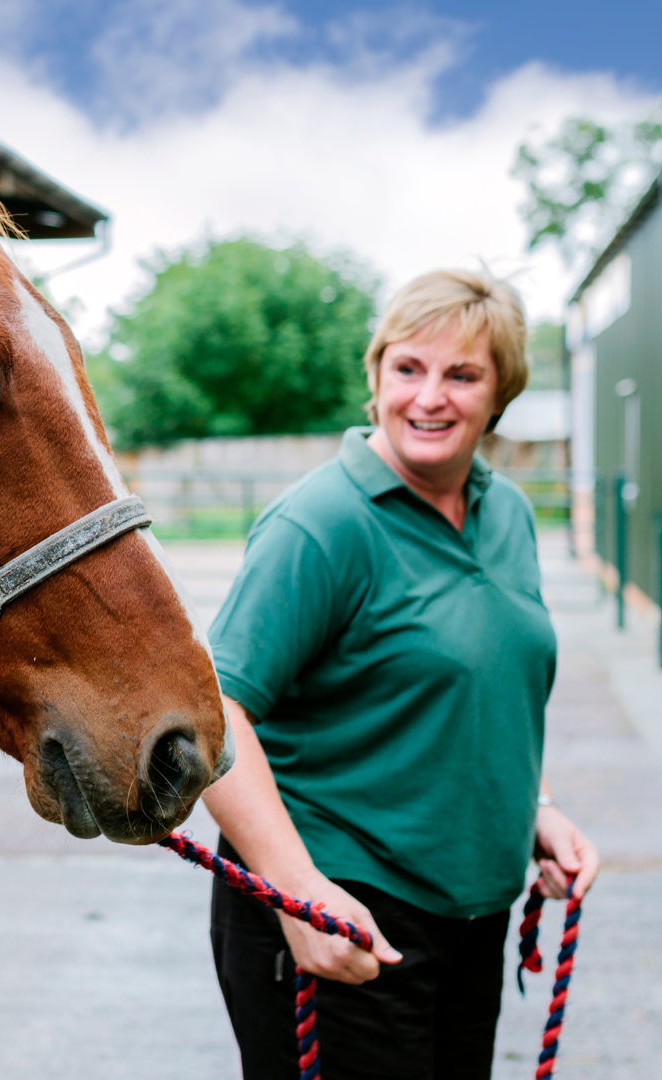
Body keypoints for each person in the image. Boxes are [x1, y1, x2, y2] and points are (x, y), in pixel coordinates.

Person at [201, 269, 600, 1079]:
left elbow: (485, 690)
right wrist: (296, 893)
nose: (429, 397)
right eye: (408, 368)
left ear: (502, 394)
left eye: (462, 374)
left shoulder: (508, 514)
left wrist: (538, 808)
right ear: (377, 377)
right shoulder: (322, 524)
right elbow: (215, 714)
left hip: (470, 922)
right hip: (342, 923)